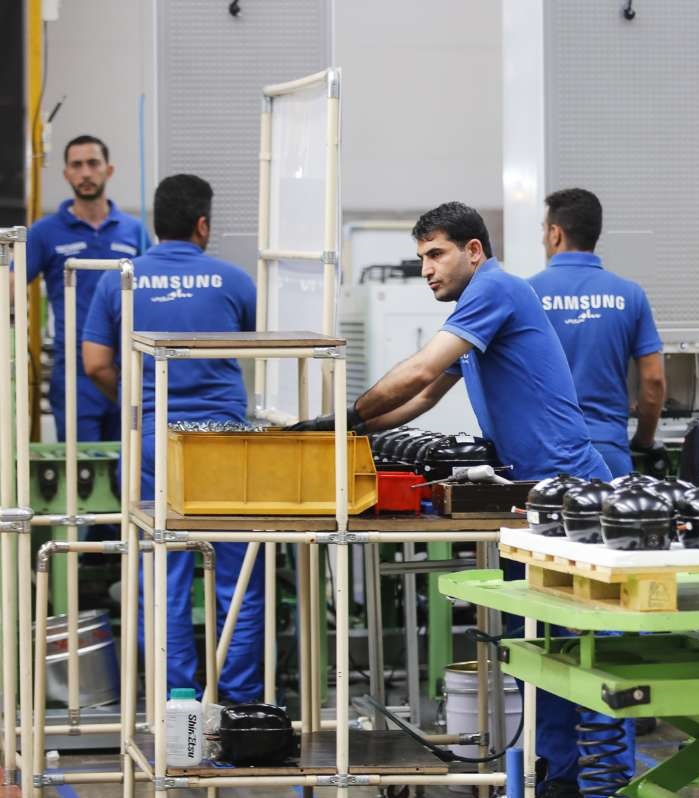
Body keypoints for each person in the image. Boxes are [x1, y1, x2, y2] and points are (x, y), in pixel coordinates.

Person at [288, 202, 632, 798]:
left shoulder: (497, 288)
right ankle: (560, 778)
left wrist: (350, 413)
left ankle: (608, 783)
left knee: (590, 650)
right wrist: (342, 432)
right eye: (422, 257)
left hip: (572, 495)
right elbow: (421, 402)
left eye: (436, 254)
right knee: (542, 647)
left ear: (474, 251)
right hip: (529, 501)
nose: (426, 269)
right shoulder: (477, 308)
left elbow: (421, 372)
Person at [82, 174, 262, 702]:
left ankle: (177, 710)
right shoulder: (235, 280)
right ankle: (238, 705)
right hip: (223, 442)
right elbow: (261, 347)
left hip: (152, 441)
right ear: (202, 224)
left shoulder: (120, 279)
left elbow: (95, 363)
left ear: (155, 223)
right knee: (237, 575)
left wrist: (137, 401)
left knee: (161, 575)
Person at [528, 188, 667, 478]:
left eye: (543, 230)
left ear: (555, 234)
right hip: (608, 454)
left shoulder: (527, 294)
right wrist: (643, 440)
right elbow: (653, 381)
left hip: (542, 453)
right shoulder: (630, 295)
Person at [24, 135, 144, 442]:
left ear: (109, 170)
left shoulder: (135, 231)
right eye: (77, 165)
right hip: (74, 374)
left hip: (127, 367)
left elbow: (153, 289)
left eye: (93, 163)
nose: (86, 173)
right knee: (80, 465)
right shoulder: (44, 232)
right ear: (66, 173)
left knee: (130, 462)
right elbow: (9, 285)